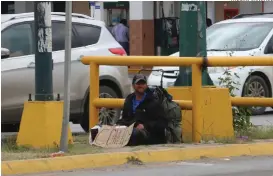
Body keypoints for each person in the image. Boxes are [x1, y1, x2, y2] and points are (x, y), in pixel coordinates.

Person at [116, 74, 167, 146]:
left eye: (143, 83)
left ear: (146, 85)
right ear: (133, 85)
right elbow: (126, 118)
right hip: (132, 131)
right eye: (138, 83)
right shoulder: (129, 99)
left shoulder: (153, 101)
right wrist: (118, 125)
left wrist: (145, 126)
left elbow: (162, 122)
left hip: (151, 136)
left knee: (134, 134)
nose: (141, 86)